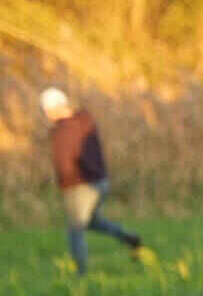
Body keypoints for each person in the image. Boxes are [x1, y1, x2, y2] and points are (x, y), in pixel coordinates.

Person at [42, 88, 149, 275]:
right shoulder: (85, 120)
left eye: (47, 110)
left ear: (56, 108)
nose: (47, 115)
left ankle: (80, 275)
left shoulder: (63, 130)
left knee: (75, 230)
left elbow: (65, 162)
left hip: (79, 185)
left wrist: (65, 183)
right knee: (93, 222)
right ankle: (130, 238)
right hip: (100, 182)